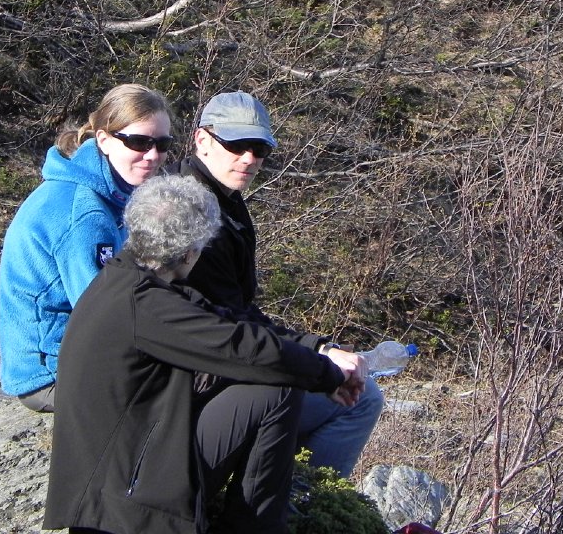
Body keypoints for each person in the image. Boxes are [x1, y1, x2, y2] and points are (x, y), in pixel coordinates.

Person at [43, 175, 365, 534]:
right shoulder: (145, 305)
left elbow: (229, 321)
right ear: (190, 252)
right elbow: (242, 348)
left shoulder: (126, 279)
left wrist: (319, 350)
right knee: (277, 391)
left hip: (119, 476)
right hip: (120, 504)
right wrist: (327, 375)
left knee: (270, 383)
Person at [170, 90, 386, 478]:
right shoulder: (192, 214)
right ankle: (308, 497)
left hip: (215, 367)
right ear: (202, 140)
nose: (249, 158)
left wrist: (317, 350)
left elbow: (239, 313)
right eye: (236, 145)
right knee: (364, 398)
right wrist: (317, 357)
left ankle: (290, 488)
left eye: (259, 149)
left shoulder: (223, 199)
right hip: (198, 383)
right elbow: (231, 324)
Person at [0, 84, 173, 412]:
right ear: (104, 139)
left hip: (70, 358)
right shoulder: (86, 214)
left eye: (162, 144)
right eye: (139, 142)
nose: (152, 155)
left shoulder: (106, 192)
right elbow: (105, 313)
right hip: (51, 374)